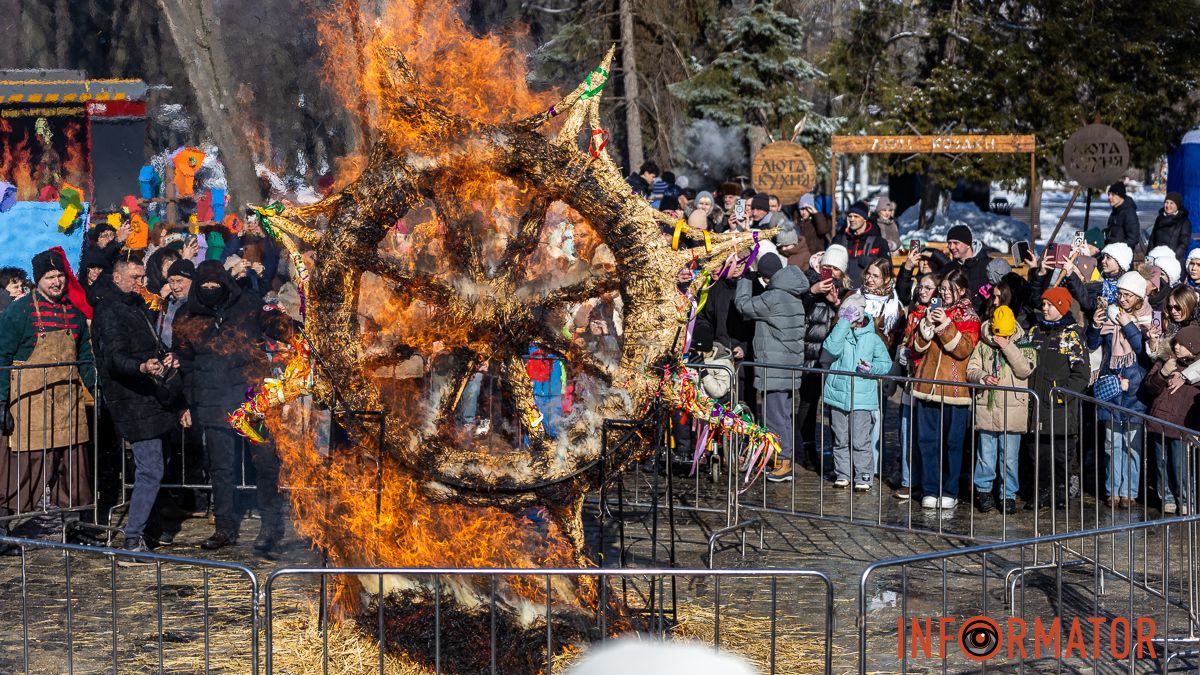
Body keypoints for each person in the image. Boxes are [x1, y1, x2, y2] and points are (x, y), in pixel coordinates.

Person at [172, 260, 292, 552]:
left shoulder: (247, 304)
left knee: (265, 462)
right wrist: (185, 403)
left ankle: (271, 527)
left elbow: (276, 324)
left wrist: (287, 324)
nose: (211, 290)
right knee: (221, 468)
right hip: (213, 400)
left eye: (217, 285)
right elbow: (184, 364)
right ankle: (224, 527)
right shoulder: (187, 316)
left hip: (252, 398)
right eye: (206, 286)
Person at [91, 258, 184, 553]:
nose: (140, 282)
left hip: (151, 395)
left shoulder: (135, 305)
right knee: (150, 467)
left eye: (143, 276)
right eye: (134, 277)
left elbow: (152, 342)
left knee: (159, 464)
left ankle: (149, 526)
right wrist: (141, 366)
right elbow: (114, 357)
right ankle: (133, 538)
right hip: (131, 399)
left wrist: (168, 355)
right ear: (117, 277)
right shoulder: (108, 310)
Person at [0, 250, 95, 534]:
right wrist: (1, 400)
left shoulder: (75, 316)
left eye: (60, 277)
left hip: (67, 405)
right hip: (29, 406)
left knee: (73, 469)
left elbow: (85, 359)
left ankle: (74, 526)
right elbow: (2, 357)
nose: (56, 282)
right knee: (22, 471)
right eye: (50, 277)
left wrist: (94, 391)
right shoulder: (19, 313)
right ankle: (4, 530)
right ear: (38, 281)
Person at [732, 252, 808, 482]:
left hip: (774, 367)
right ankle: (780, 458)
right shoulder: (792, 293)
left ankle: (783, 462)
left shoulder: (773, 297)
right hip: (786, 366)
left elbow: (743, 305)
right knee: (783, 414)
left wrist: (745, 278)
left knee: (774, 415)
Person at [910, 269, 980, 509]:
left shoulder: (970, 316)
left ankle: (950, 490)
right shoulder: (930, 312)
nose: (944, 294)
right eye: (942, 290)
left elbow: (962, 350)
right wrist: (926, 326)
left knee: (953, 443)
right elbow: (917, 348)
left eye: (948, 289)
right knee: (927, 440)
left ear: (960, 290)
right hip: (927, 385)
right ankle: (930, 488)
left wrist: (945, 325)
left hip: (954, 388)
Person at [1087, 271, 1151, 507]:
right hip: (1111, 388)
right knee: (1112, 446)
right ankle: (1113, 490)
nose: (1122, 299)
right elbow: (1093, 343)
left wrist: (1126, 323)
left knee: (1132, 448)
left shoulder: (1146, 319)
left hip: (1135, 392)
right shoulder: (1110, 317)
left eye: (1127, 295)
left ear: (1138, 297)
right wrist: (1095, 324)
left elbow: (1142, 349)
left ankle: (1130, 492)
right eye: (1120, 294)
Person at [966, 305, 1035, 514]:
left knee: (1010, 457)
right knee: (985, 454)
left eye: (1005, 334)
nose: (1000, 338)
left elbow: (1025, 369)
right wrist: (982, 377)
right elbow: (971, 369)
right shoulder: (983, 345)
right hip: (988, 407)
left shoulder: (1023, 344)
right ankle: (984, 491)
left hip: (1013, 409)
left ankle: (1008, 495)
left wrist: (1007, 347)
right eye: (998, 334)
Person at [1024, 287, 1089, 509]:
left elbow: (1081, 375)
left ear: (1061, 307)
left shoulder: (1071, 335)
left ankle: (1060, 493)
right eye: (1043, 304)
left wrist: (1062, 394)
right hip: (1036, 404)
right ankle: (1041, 491)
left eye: (1050, 305)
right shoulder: (1035, 332)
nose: (1044, 309)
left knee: (1060, 454)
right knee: (1037, 453)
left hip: (1060, 407)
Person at [821, 295, 892, 490]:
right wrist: (842, 324)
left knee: (861, 440)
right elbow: (829, 349)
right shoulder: (840, 332)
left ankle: (864, 476)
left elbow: (886, 364)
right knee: (840, 438)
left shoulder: (873, 338)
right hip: (838, 395)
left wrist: (872, 368)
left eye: (850, 314)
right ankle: (842, 474)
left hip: (862, 398)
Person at [1142, 325, 1200, 515]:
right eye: (1176, 343)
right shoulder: (1165, 360)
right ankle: (1166, 497)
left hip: (1183, 425)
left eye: (1183, 344)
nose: (1177, 347)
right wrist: (1163, 372)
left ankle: (1185, 499)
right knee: (1162, 463)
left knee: (1181, 466)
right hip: (1160, 420)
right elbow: (1150, 387)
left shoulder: (1195, 370)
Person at [893, 271, 939, 499]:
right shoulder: (912, 312)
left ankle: (928, 480)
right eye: (921, 286)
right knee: (906, 429)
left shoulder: (940, 314)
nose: (922, 291)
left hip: (930, 377)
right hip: (911, 378)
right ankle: (908, 479)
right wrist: (902, 350)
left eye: (928, 288)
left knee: (927, 434)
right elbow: (906, 337)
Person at [831, 201, 886, 286]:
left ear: (864, 218)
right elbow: (829, 265)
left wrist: (870, 263)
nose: (852, 219)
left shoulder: (878, 241)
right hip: (843, 289)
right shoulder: (839, 239)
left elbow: (887, 269)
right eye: (850, 216)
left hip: (868, 289)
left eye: (856, 216)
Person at [942, 224, 993, 311]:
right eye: (949, 243)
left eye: (956, 243)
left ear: (968, 244)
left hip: (981, 316)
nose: (951, 247)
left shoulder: (988, 265)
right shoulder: (949, 268)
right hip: (954, 317)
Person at [1149, 193, 1192, 265]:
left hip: (1173, 262)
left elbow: (1183, 244)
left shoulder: (1184, 221)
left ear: (1177, 205)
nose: (1168, 205)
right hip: (1156, 261)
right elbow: (1152, 241)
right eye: (1166, 202)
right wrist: (1149, 262)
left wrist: (1172, 258)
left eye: (1171, 203)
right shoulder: (1159, 218)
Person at [1104, 181, 1140, 249]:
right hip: (1109, 251)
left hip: (1121, 255)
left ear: (1121, 196)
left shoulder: (1129, 213)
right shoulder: (1115, 211)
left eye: (1113, 195)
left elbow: (1133, 239)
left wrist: (1119, 248)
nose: (1109, 197)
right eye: (1108, 194)